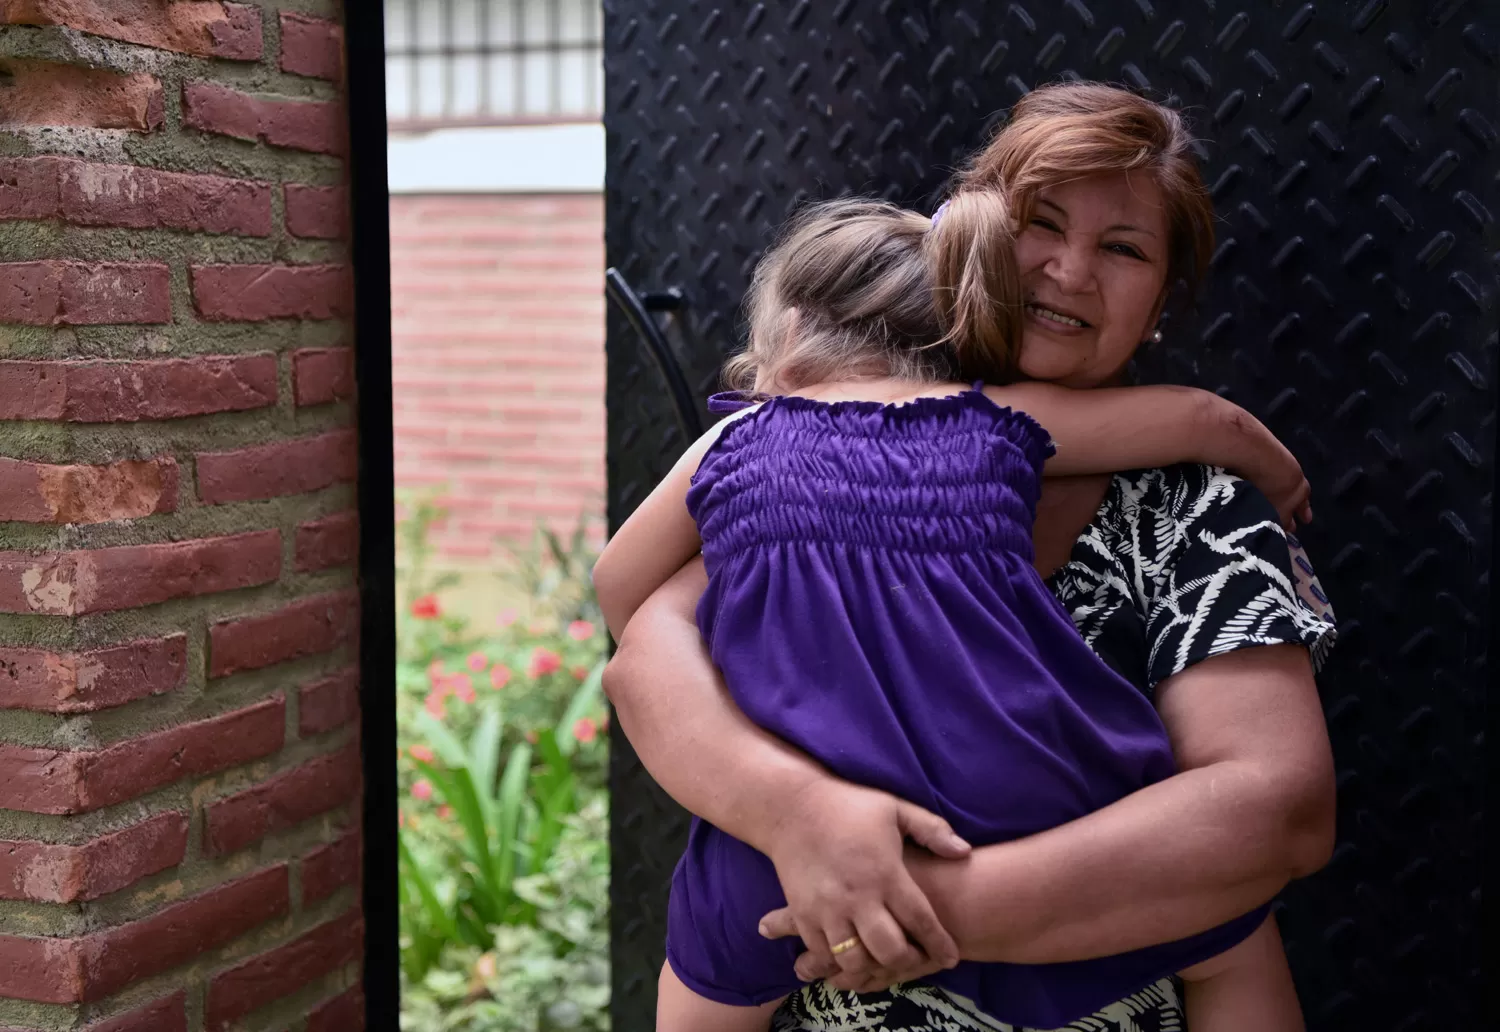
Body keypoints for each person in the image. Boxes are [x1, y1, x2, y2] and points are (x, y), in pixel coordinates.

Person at [603, 82, 1338, 1032]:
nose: (1072, 272)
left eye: (1123, 248)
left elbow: (1275, 811)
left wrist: (903, 908)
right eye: (1042, 224)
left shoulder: (1196, 508)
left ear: (1161, 299)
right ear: (973, 241)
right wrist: (794, 814)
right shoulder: (826, 464)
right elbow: (649, 651)